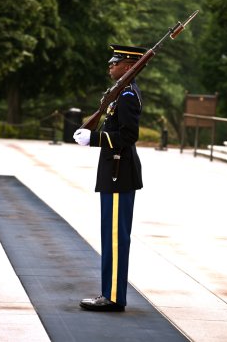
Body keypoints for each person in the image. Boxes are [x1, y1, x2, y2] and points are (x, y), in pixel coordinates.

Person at [73, 43, 146, 312]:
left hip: (119, 174)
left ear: (129, 66)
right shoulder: (119, 95)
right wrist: (94, 137)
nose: (110, 66)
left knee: (115, 237)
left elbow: (128, 136)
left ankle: (114, 297)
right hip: (114, 172)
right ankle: (109, 292)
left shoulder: (127, 95)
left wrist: (94, 138)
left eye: (115, 62)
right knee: (110, 235)